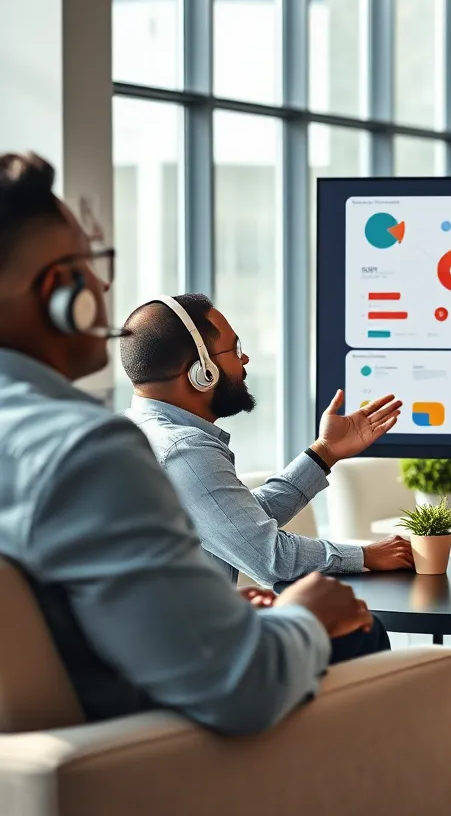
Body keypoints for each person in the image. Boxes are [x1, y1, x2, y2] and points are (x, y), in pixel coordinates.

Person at [0, 152, 374, 734]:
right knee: (361, 631)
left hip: (55, 749)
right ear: (58, 289)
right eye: (92, 264)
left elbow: (225, 529)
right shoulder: (87, 451)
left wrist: (321, 455)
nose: (102, 283)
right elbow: (241, 686)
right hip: (146, 747)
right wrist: (302, 615)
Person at [120, 295, 414, 600]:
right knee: (363, 630)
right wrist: (365, 556)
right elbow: (270, 557)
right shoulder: (186, 450)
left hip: (171, 636)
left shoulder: (139, 432)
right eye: (234, 349)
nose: (244, 359)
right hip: (191, 644)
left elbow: (238, 523)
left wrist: (325, 452)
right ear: (201, 371)